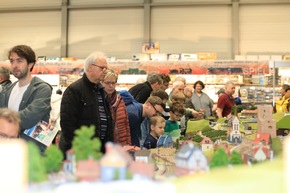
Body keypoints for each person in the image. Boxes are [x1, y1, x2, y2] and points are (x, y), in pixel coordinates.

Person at [59, 51, 114, 157]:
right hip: (80, 152)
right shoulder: (74, 90)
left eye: (106, 68)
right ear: (90, 68)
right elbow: (67, 126)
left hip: (98, 151)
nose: (105, 71)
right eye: (102, 68)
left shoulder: (101, 90)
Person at [0, 45, 52, 150]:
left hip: (31, 152)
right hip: (7, 149)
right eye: (12, 61)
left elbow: (29, 117)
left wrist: (5, 123)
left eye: (19, 61)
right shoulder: (7, 90)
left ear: (30, 64)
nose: (14, 65)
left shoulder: (42, 89)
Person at [102, 69, 131, 146]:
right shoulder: (98, 100)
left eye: (113, 83)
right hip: (106, 147)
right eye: (107, 83)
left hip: (122, 145)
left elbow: (126, 124)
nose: (111, 86)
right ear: (101, 83)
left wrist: (128, 144)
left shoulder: (120, 100)